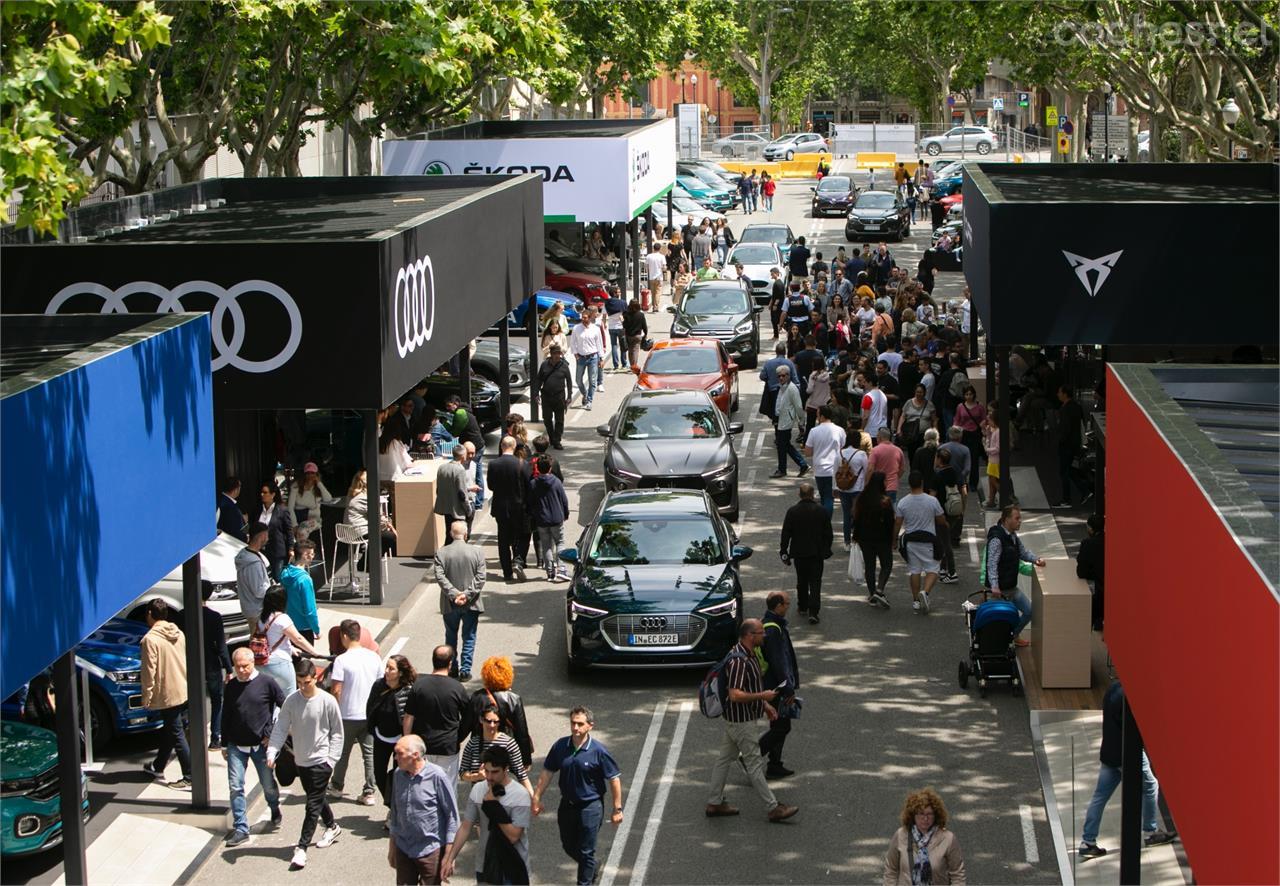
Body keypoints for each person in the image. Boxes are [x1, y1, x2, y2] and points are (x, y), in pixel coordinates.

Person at [705, 621, 799, 823]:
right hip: (742, 721)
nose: (764, 635)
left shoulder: (747, 653)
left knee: (724, 759)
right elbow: (736, 694)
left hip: (735, 720)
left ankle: (714, 802)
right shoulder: (739, 661)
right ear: (749, 635)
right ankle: (773, 807)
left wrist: (765, 705)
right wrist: (763, 696)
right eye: (760, 633)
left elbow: (749, 686)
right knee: (754, 764)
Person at [1077, 681, 1176, 860]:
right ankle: (1150, 831)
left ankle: (1088, 841)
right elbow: (1134, 727)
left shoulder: (1113, 689)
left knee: (1100, 796)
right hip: (1128, 753)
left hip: (1109, 752)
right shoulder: (1128, 697)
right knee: (1151, 785)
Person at [531, 706, 623, 885]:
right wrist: (536, 797)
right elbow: (547, 772)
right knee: (568, 845)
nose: (575, 728)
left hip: (591, 807)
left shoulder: (598, 752)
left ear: (590, 726)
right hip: (567, 805)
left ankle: (585, 881)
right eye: (573, 723)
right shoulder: (560, 746)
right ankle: (592, 865)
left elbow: (614, 779)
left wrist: (617, 808)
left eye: (580, 724)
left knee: (587, 850)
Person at [268, 658, 344, 869]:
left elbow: (338, 732)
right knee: (316, 798)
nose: (302, 686)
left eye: (307, 682)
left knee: (311, 806)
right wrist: (272, 751)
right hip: (301, 760)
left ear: (315, 678)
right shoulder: (292, 701)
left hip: (321, 761)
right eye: (299, 682)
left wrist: (331, 760)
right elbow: (281, 727)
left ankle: (301, 848)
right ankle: (332, 826)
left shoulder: (327, 701)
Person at [222, 647, 286, 847]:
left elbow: (285, 707)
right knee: (235, 787)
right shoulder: (231, 686)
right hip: (235, 745)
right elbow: (225, 716)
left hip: (260, 746)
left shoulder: (267, 683)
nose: (241, 670)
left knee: (268, 784)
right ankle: (241, 828)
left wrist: (272, 734)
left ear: (253, 663)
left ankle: (274, 807)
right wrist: (224, 744)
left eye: (245, 666)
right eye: (238, 666)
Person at [444, 745, 533, 885]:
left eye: (495, 772)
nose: (489, 777)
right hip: (485, 865)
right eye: (487, 771)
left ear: (506, 769)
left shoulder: (520, 795)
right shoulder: (478, 790)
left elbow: (513, 836)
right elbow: (466, 827)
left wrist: (493, 806)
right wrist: (450, 859)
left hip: (513, 867)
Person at [386, 734, 460, 885]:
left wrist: (449, 855)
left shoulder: (437, 776)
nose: (395, 757)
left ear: (415, 755)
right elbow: (395, 813)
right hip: (404, 847)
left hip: (430, 851)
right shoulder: (398, 775)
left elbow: (452, 816)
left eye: (399, 753)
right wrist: (392, 847)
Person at [328, 619, 383, 806]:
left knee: (342, 753)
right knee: (369, 754)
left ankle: (337, 786)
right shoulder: (374, 657)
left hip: (346, 715)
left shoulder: (341, 660)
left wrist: (333, 712)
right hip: (369, 715)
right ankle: (369, 792)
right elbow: (381, 686)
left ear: (344, 636)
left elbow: (336, 689)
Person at [139, 599, 192, 789]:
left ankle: (189, 774)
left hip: (166, 692)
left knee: (176, 732)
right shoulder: (178, 633)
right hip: (183, 686)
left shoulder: (150, 640)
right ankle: (158, 765)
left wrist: (147, 695)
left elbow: (148, 670)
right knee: (172, 728)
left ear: (151, 614)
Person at [403, 645, 471, 784]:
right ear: (450, 663)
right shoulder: (457, 688)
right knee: (447, 788)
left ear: (433, 660)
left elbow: (409, 717)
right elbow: (469, 717)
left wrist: (408, 742)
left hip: (423, 746)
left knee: (422, 786)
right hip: (448, 747)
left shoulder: (419, 686)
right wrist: (458, 737)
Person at [983, 506, 1044, 646]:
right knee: (999, 621)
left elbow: (1023, 553)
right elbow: (992, 564)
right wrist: (994, 586)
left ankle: (1012, 635)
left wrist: (1036, 559)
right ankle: (998, 643)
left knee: (1030, 611)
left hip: (1011, 588)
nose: (1020, 521)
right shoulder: (997, 539)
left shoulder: (1012, 536)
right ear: (1006, 519)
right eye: (1017, 518)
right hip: (999, 591)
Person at [462, 656, 534, 773]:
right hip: (504, 747)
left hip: (481, 748)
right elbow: (522, 732)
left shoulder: (477, 697)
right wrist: (526, 759)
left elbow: (466, 724)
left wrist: (456, 741)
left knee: (480, 784)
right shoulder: (514, 699)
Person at [756, 592, 800, 779]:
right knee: (781, 727)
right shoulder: (774, 629)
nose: (788, 607)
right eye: (787, 604)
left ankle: (775, 764)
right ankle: (751, 758)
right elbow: (779, 662)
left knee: (780, 725)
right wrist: (787, 687)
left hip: (773, 684)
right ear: (778, 605)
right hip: (776, 686)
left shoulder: (768, 624)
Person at [883, 787, 967, 885]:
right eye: (921, 814)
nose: (925, 818)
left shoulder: (948, 839)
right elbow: (891, 871)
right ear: (912, 815)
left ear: (936, 815)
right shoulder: (901, 835)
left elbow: (957, 874)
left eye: (929, 814)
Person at [435, 523, 486, 680]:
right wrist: (467, 594)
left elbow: (440, 576)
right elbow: (481, 577)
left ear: (451, 533)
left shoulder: (442, 553)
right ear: (466, 534)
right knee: (469, 636)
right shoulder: (477, 552)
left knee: (451, 636)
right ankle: (465, 670)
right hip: (471, 603)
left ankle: (452, 668)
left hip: (450, 604)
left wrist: (454, 594)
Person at [894, 471, 948, 615]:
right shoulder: (931, 501)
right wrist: (946, 524)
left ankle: (916, 600)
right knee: (933, 569)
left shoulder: (903, 502)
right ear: (922, 483)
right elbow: (940, 519)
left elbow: (898, 523)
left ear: (909, 484)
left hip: (910, 541)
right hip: (928, 540)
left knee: (914, 570)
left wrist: (894, 540)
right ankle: (925, 592)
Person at [368, 654, 417, 808]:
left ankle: (397, 809)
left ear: (400, 673)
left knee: (399, 776)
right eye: (386, 667)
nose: (387, 671)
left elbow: (411, 717)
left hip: (400, 741)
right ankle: (391, 805)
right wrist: (372, 728)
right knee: (379, 774)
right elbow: (370, 709)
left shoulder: (409, 690)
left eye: (391, 668)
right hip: (380, 737)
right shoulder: (378, 686)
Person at [780, 483, 832, 624]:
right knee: (815, 582)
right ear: (813, 494)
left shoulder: (792, 511)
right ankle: (813, 611)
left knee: (801, 581)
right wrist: (826, 550)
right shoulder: (821, 511)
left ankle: (803, 605)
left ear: (799, 495)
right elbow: (828, 533)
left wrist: (784, 552)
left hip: (799, 553)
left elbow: (786, 533)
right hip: (816, 553)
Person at [256, 585, 321, 697]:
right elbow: (298, 639)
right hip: (280, 663)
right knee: (288, 698)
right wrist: (314, 652)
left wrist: (290, 649)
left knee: (271, 697)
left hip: (262, 663)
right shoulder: (282, 618)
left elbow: (271, 638)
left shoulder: (262, 618)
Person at [460, 703, 535, 797]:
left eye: (496, 722)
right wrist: (477, 776)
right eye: (488, 721)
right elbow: (463, 773)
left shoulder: (509, 744)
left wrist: (533, 799)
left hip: (506, 798)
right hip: (479, 798)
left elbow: (521, 774)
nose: (492, 725)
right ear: (481, 720)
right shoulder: (473, 744)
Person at [488, 435, 532, 583]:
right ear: (514, 447)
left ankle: (507, 572)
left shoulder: (493, 464)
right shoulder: (523, 464)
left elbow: (491, 486)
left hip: (500, 508)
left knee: (503, 539)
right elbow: (528, 485)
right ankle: (518, 560)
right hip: (519, 507)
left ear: (501, 446)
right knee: (523, 535)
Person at [853, 471, 895, 608]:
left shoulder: (862, 498)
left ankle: (872, 594)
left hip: (865, 538)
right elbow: (890, 523)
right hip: (882, 539)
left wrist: (855, 536)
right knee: (886, 564)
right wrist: (893, 539)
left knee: (869, 566)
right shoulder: (885, 501)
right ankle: (880, 589)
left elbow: (856, 519)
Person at [529, 455, 571, 582]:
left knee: (546, 545)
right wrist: (566, 513)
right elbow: (564, 500)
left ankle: (550, 571)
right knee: (560, 542)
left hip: (542, 519)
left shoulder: (533, 483)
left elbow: (531, 502)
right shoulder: (556, 482)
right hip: (556, 518)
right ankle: (562, 568)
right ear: (550, 468)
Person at [201, 584, 233, 751]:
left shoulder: (182, 615)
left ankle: (193, 735)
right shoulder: (214, 617)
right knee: (216, 701)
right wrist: (228, 668)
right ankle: (215, 737)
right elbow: (221, 646)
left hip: (190, 664)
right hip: (212, 664)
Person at [1053, 385, 1092, 509]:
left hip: (1067, 445)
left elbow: (1066, 429)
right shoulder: (1076, 407)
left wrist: (1060, 440)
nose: (1058, 394)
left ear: (1065, 394)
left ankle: (1067, 498)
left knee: (1064, 471)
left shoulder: (1066, 410)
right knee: (1070, 470)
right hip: (1075, 444)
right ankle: (1085, 490)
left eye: (1059, 392)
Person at [346, 468, 398, 561]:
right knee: (390, 537)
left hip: (348, 530)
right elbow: (377, 517)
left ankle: (367, 559)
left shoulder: (351, 494)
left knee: (382, 534)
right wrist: (390, 526)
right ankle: (367, 563)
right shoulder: (366, 498)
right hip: (359, 531)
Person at [803, 405, 846, 515]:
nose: (817, 417)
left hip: (820, 469)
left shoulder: (814, 431)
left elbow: (807, 452)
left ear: (822, 416)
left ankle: (825, 521)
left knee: (825, 497)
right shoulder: (840, 430)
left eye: (818, 414)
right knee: (829, 496)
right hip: (835, 469)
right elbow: (843, 449)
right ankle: (825, 521)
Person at [836, 421, 871, 548]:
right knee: (858, 515)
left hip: (843, 488)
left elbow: (836, 471)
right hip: (858, 488)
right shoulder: (861, 454)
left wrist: (835, 487)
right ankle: (857, 539)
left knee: (846, 515)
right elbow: (867, 470)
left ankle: (847, 542)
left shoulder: (840, 453)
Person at [771, 366, 809, 479]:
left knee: (782, 444)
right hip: (780, 420)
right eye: (779, 376)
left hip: (786, 421)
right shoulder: (782, 387)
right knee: (784, 445)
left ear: (788, 375)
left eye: (784, 375)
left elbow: (798, 406)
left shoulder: (792, 388)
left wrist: (801, 420)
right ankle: (801, 465)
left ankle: (785, 468)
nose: (781, 378)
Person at [931, 447, 963, 584]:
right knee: (945, 538)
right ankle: (943, 569)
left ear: (939, 459)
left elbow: (933, 496)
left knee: (944, 542)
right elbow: (963, 489)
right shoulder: (954, 472)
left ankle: (952, 572)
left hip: (942, 511)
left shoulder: (938, 475)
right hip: (954, 509)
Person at [279, 540, 320, 643]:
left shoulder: (284, 573)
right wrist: (316, 629)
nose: (312, 557)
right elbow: (310, 609)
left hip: (288, 625)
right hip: (304, 627)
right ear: (304, 555)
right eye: (311, 554)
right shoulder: (305, 580)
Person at [254, 481, 296, 579]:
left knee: (278, 578)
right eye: (261, 492)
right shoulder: (257, 509)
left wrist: (291, 548)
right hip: (260, 550)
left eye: (265, 492)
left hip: (277, 551)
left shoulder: (282, 510)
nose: (262, 495)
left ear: (273, 494)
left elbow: (289, 530)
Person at [434, 445, 474, 542]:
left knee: (449, 533)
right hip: (457, 510)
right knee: (458, 536)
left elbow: (439, 489)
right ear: (463, 456)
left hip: (445, 507)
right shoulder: (460, 470)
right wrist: (469, 510)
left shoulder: (442, 468)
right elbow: (462, 494)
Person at [537, 344, 573, 451]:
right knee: (547, 419)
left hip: (559, 397)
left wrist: (569, 396)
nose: (558, 356)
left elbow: (569, 381)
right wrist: (535, 393)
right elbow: (539, 380)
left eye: (559, 353)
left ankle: (557, 441)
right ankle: (552, 437)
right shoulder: (544, 365)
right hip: (546, 397)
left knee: (559, 420)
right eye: (555, 353)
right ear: (551, 354)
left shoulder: (564, 366)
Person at [235, 522, 272, 625]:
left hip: (251, 608)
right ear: (262, 536)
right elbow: (258, 590)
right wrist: (273, 589)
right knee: (258, 640)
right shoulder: (253, 564)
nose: (268, 539)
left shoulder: (245, 555)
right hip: (257, 610)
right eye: (267, 535)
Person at [287, 462, 333, 542]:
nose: (310, 476)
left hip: (314, 518)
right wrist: (294, 524)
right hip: (298, 517)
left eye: (313, 473)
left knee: (302, 531)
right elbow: (290, 507)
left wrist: (319, 483)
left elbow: (328, 499)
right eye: (308, 473)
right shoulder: (296, 486)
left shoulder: (318, 487)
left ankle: (302, 552)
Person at [569, 307, 603, 410]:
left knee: (592, 381)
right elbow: (573, 342)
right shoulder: (576, 328)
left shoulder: (595, 329)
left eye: (586, 318)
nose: (584, 319)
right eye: (582, 317)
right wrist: (575, 354)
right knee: (578, 380)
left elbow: (599, 344)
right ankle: (585, 393)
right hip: (581, 358)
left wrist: (601, 358)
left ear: (589, 318)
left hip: (593, 357)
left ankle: (589, 400)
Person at [954, 385, 986, 493]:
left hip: (975, 434)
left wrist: (981, 426)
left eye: (970, 394)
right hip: (964, 434)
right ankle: (962, 482)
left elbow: (984, 418)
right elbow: (957, 420)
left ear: (974, 394)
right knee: (962, 459)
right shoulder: (960, 407)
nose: (968, 396)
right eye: (966, 394)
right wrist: (956, 432)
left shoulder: (979, 406)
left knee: (974, 460)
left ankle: (973, 483)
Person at [1076, 514, 1105, 631]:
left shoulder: (1087, 544)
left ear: (1090, 528)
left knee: (1090, 613)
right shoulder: (1111, 540)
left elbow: (1081, 571)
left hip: (1099, 589)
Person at [898, 384, 937, 463]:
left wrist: (935, 432)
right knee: (912, 455)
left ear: (925, 393)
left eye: (921, 392)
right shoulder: (909, 403)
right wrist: (899, 428)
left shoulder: (929, 405)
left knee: (924, 456)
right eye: (917, 392)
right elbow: (903, 416)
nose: (919, 394)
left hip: (925, 435)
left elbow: (934, 420)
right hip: (911, 434)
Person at [868, 427, 907, 502]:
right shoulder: (898, 450)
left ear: (879, 437)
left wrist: (867, 483)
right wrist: (895, 478)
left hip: (878, 485)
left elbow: (870, 469)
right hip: (892, 485)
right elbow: (902, 469)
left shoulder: (875, 450)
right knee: (891, 508)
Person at [982, 405, 1001, 508]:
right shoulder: (994, 431)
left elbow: (997, 448)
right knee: (991, 480)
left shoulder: (998, 432)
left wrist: (987, 449)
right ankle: (991, 500)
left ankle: (1003, 498)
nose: (988, 423)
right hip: (992, 459)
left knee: (994, 480)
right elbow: (989, 439)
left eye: (989, 421)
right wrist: (988, 432)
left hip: (995, 460)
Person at [861, 371, 890, 438]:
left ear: (870, 383)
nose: (863, 384)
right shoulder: (883, 395)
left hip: (870, 431)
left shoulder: (868, 396)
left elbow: (866, 416)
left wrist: (861, 429)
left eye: (865, 382)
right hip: (883, 429)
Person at [645, 244, 667, 313]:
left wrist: (649, 271)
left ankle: (653, 306)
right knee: (658, 292)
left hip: (651, 276)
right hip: (659, 277)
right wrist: (664, 270)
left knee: (653, 292)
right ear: (660, 248)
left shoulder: (649, 256)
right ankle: (656, 307)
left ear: (653, 248)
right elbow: (664, 267)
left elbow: (646, 267)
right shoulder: (662, 256)